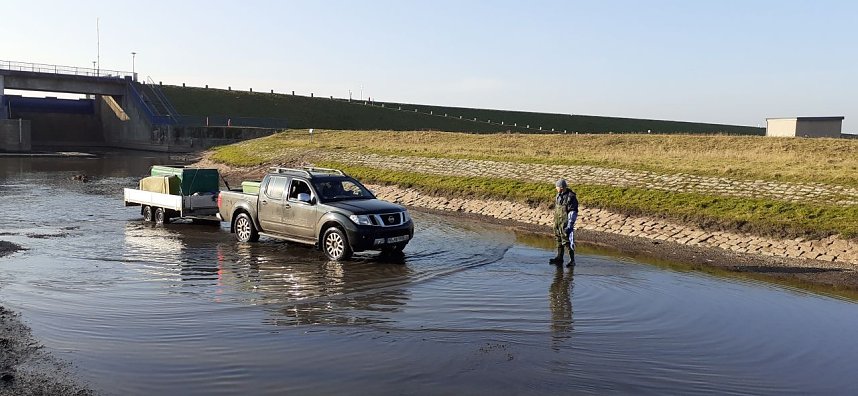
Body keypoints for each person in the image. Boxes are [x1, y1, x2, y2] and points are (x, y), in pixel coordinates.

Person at [549, 178, 578, 267]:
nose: (556, 189)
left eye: (557, 187)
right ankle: (559, 258)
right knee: (558, 239)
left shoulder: (571, 197)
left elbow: (573, 212)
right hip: (557, 222)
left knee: (567, 241)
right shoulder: (558, 195)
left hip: (565, 223)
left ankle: (572, 261)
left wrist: (569, 225)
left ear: (561, 187)